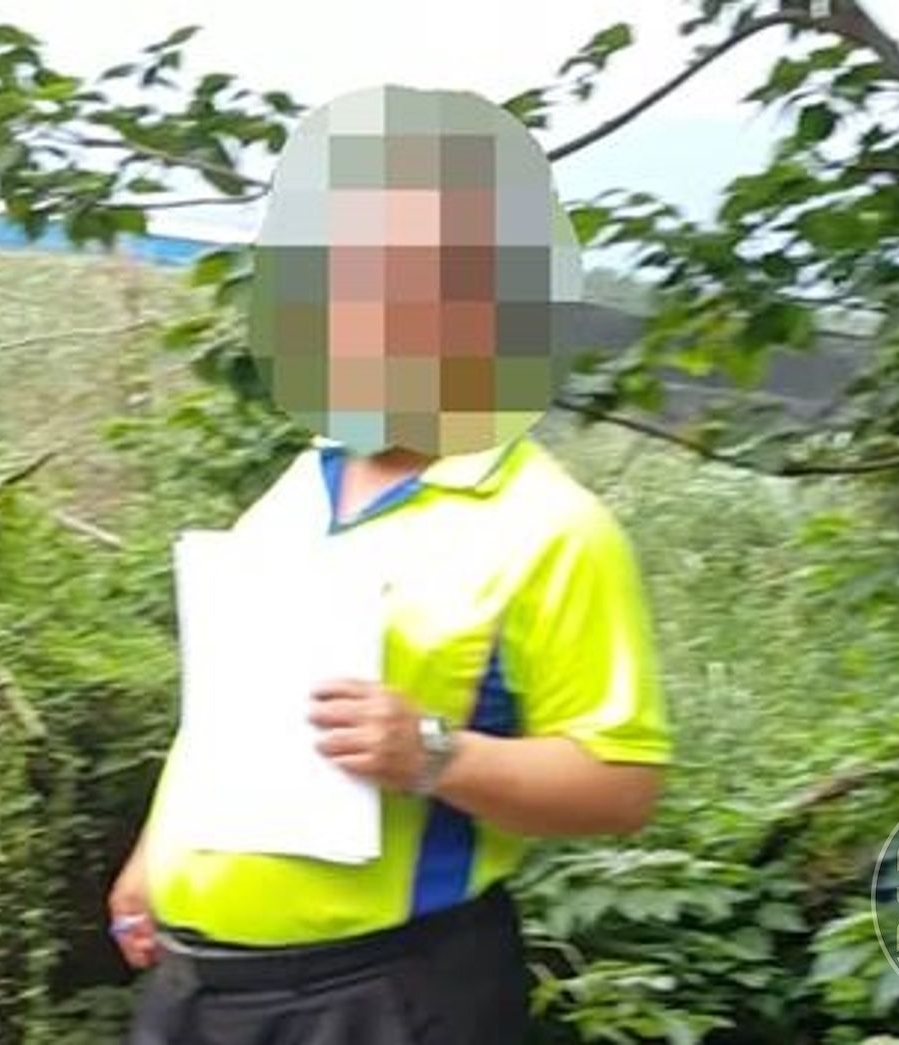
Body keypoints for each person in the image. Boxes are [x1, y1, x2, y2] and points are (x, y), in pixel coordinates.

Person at [115, 85, 672, 1045]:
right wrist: (152, 853)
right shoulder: (300, 485)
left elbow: (623, 786)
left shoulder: (554, 528)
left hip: (386, 994)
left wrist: (431, 753)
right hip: (197, 985)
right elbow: (228, 710)